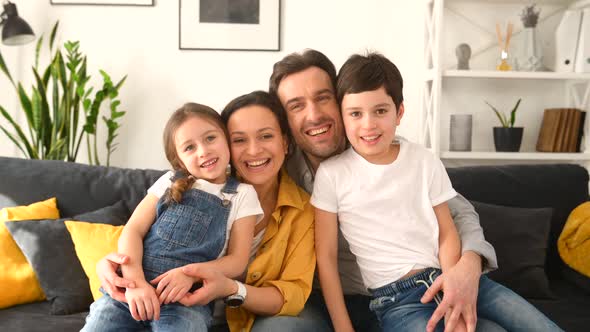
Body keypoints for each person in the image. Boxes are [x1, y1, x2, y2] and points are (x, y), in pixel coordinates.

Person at [311, 52, 562, 332]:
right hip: (399, 301)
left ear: (399, 112)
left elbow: (446, 230)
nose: (368, 124)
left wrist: (454, 282)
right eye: (356, 114)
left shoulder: (422, 159)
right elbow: (327, 258)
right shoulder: (332, 175)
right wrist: (344, 328)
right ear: (342, 117)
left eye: (380, 111)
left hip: (453, 276)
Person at [268, 49, 500, 332]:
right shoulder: (279, 173)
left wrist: (469, 263)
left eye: (322, 98)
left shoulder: (390, 151)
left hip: (416, 293)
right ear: (284, 121)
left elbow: (459, 213)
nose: (314, 115)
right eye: (296, 106)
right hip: (332, 302)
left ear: (341, 99)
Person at [97, 91, 319, 332]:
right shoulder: (173, 182)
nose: (254, 150)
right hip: (136, 293)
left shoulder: (267, 202)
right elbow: (134, 231)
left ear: (285, 143)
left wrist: (208, 280)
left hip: (194, 305)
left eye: (266, 136)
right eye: (240, 140)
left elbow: (287, 290)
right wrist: (129, 277)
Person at [82, 103, 262, 331]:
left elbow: (237, 261)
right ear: (178, 160)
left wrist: (191, 275)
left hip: (186, 302)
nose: (203, 151)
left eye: (210, 138)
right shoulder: (169, 181)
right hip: (131, 293)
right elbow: (133, 230)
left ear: (226, 139)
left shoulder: (242, 194)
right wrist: (136, 282)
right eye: (189, 147)